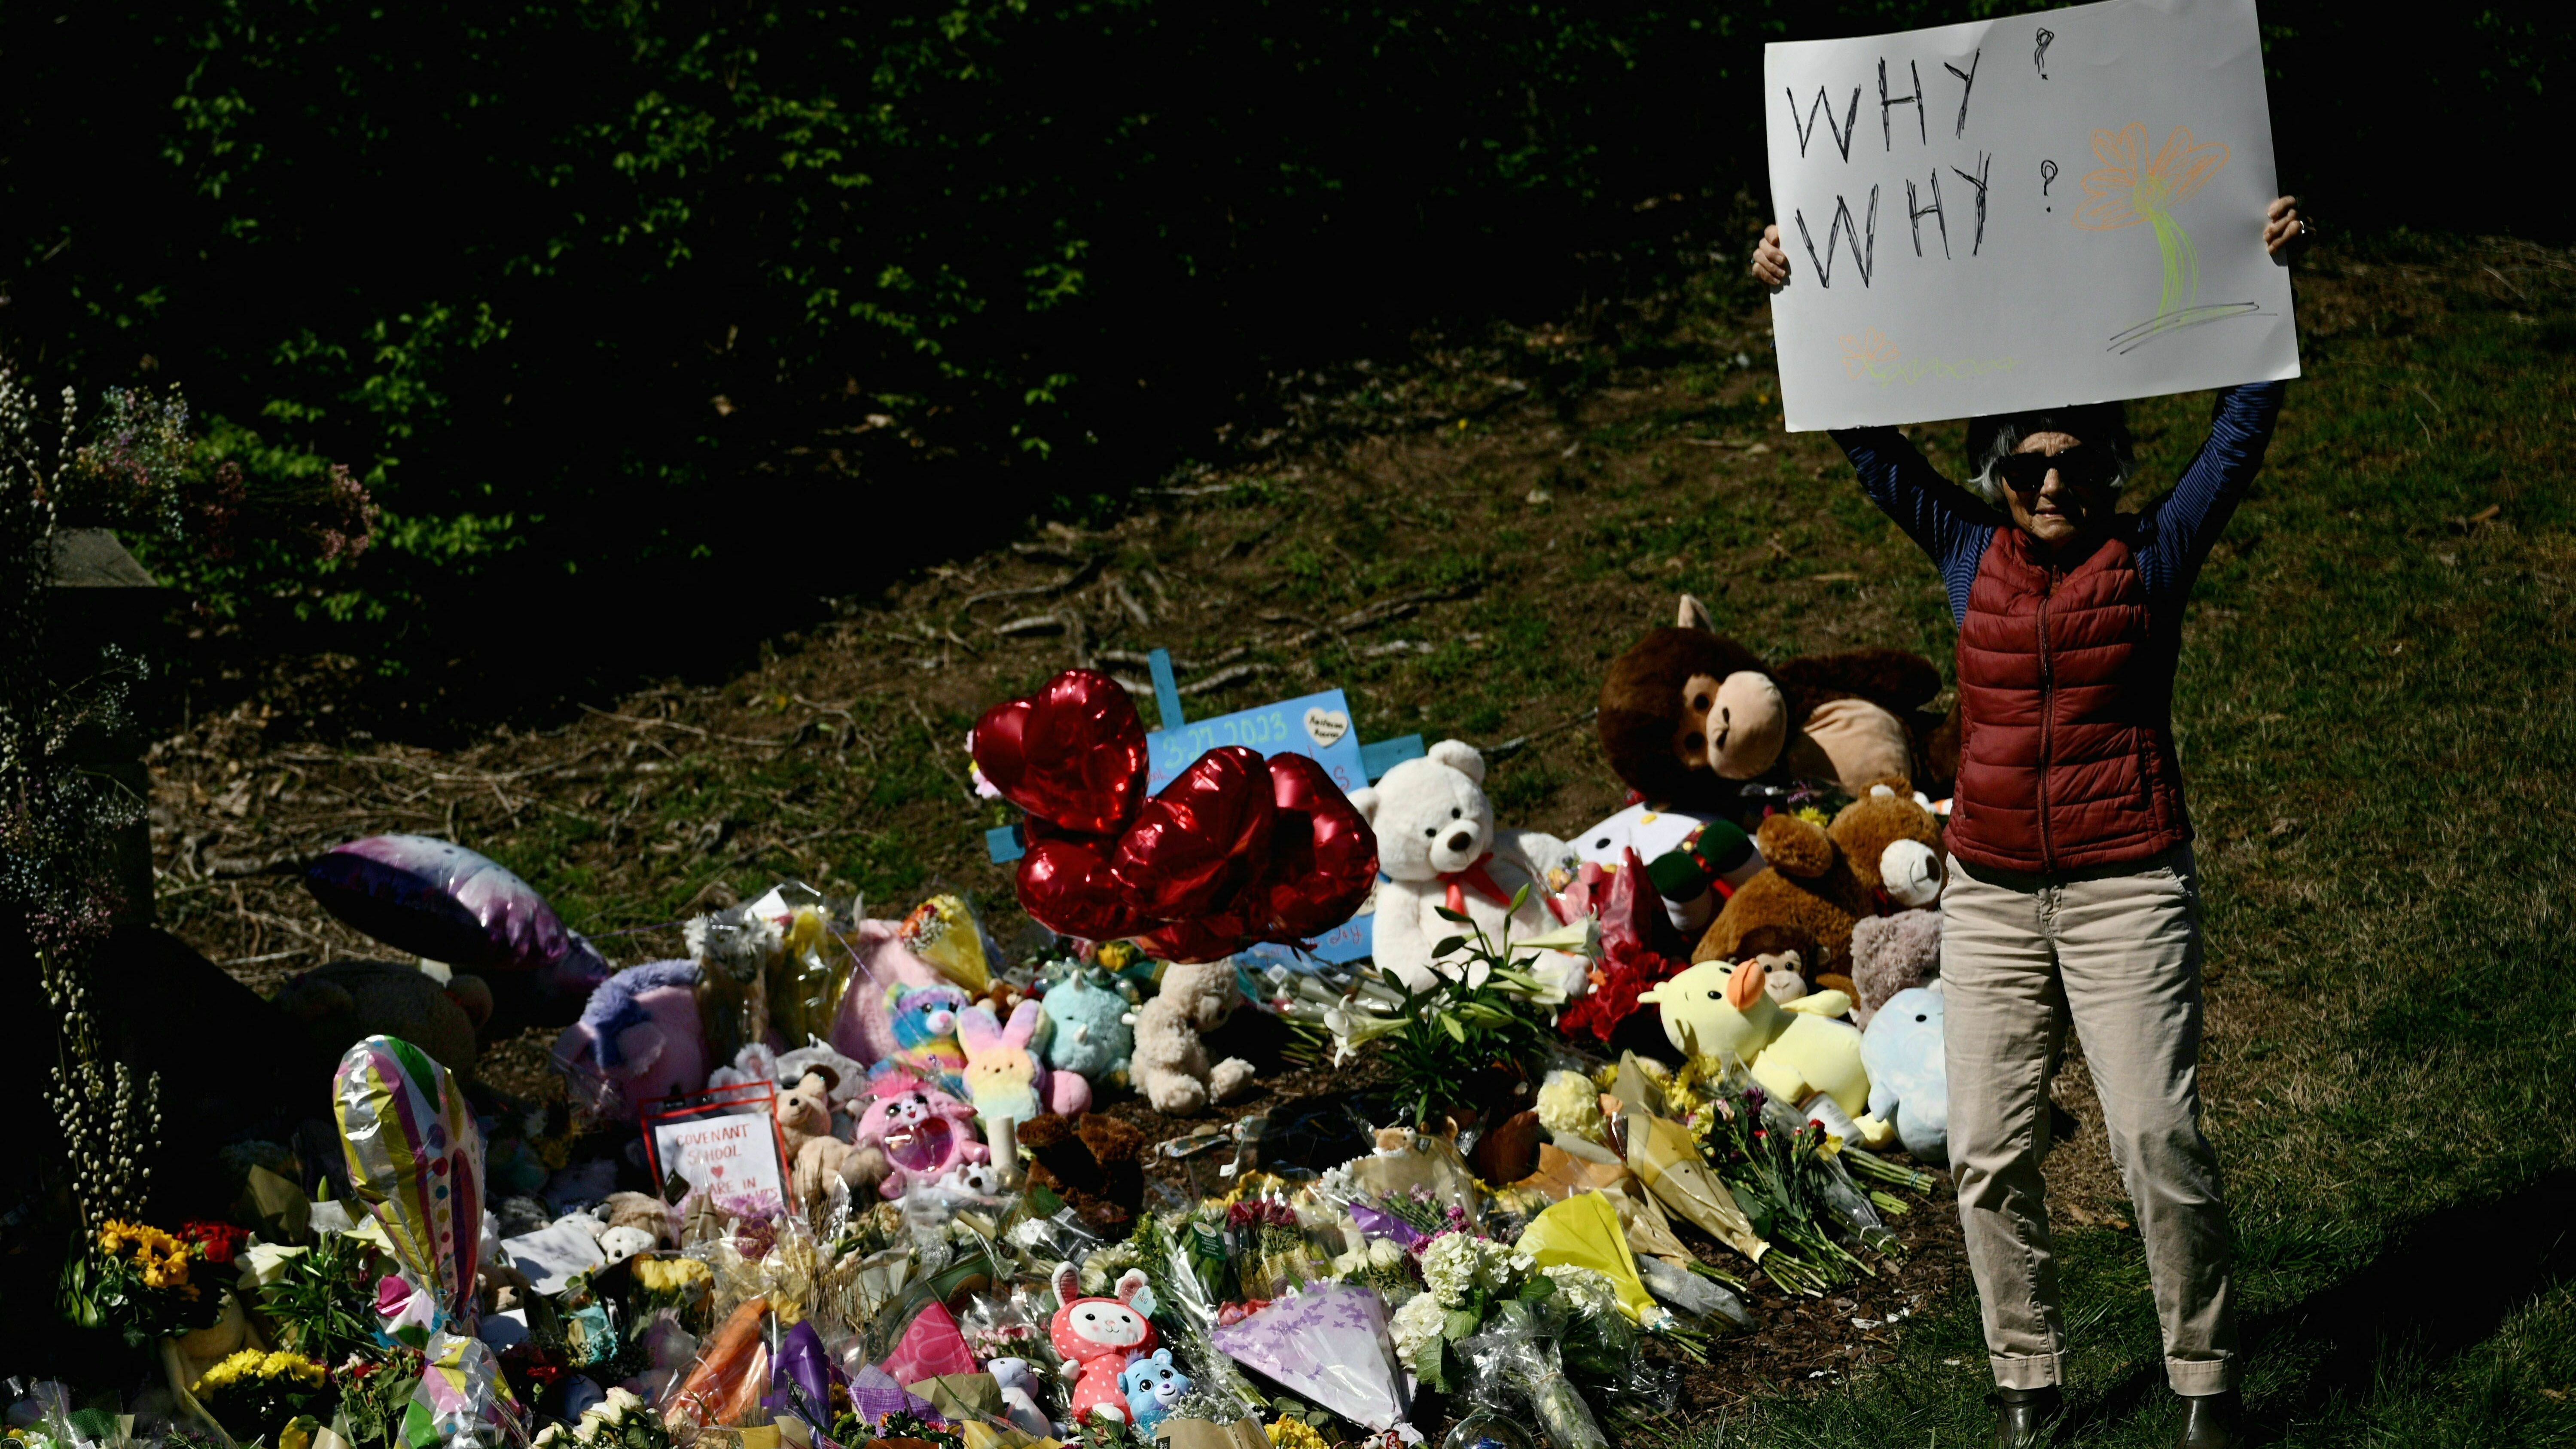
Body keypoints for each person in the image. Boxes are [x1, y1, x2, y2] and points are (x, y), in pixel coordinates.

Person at [1749, 197, 2307, 1449]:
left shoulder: (2151, 553)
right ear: (1997, 474)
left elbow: (2240, 433)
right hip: (1991, 893)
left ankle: (2207, 1384)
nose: (2052, 482)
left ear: (2110, 469)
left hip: (2127, 888)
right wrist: (1798, 295)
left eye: (2075, 462)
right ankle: (2028, 1382)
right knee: (1988, 1151)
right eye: (2026, 464)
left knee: (2157, 1138)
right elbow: (1867, 443)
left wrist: (2266, 283)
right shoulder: (1964, 548)